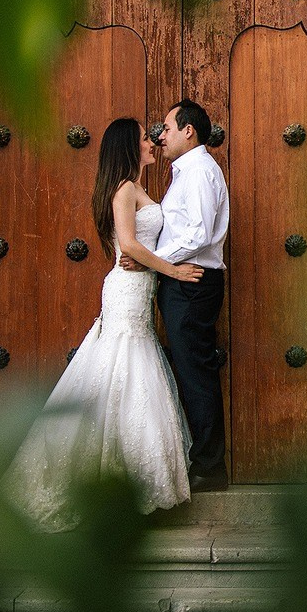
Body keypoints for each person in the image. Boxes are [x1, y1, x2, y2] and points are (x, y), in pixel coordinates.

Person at [2, 118, 201, 528]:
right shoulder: (125, 189)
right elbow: (128, 244)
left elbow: (142, 242)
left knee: (128, 375)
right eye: (145, 138)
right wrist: (174, 271)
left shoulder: (141, 187)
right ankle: (102, 482)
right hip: (127, 289)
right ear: (129, 147)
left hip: (139, 287)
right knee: (121, 371)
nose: (152, 142)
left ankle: (126, 481)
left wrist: (156, 261)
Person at [127, 99, 231, 489]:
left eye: (167, 129)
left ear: (189, 131)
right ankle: (203, 460)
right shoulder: (185, 172)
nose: (160, 136)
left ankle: (208, 466)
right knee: (190, 369)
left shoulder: (200, 171)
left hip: (192, 282)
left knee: (195, 371)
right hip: (182, 280)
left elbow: (199, 233)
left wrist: (153, 260)